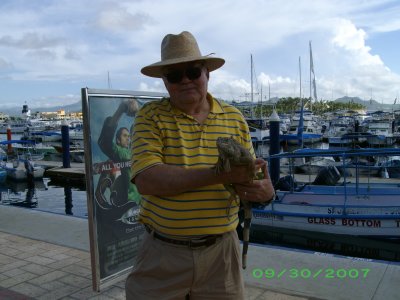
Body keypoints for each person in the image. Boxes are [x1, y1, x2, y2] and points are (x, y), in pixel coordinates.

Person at [125, 31, 275, 300]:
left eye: (193, 72)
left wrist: (265, 191)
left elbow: (252, 174)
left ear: (207, 73)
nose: (185, 81)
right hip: (163, 253)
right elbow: (148, 180)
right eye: (174, 76)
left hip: (222, 252)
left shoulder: (234, 117)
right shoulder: (150, 116)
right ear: (164, 81)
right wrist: (220, 174)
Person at [97, 99, 141, 207]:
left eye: (129, 136)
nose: (129, 138)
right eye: (125, 136)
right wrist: (120, 110)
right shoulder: (123, 153)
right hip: (128, 207)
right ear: (117, 140)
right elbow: (105, 142)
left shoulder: (144, 151)